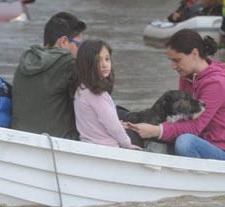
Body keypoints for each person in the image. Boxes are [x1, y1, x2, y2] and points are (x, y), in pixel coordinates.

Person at [126, 29, 225, 161]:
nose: (173, 66)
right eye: (171, 60)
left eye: (177, 60)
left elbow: (195, 127)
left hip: (224, 151)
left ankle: (195, 179)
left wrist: (156, 131)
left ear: (194, 53)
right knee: (158, 143)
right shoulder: (187, 76)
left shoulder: (217, 84)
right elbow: (182, 119)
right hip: (199, 141)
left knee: (184, 142)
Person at [11, 11, 87, 139]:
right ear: (63, 42)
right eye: (79, 45)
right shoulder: (68, 64)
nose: (80, 51)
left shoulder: (25, 62)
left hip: (19, 139)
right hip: (57, 145)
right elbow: (95, 98)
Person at [72, 39, 139, 149]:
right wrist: (127, 144)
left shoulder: (81, 89)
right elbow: (113, 127)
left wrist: (120, 124)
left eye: (107, 59)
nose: (104, 65)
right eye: (98, 61)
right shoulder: (97, 94)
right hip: (107, 147)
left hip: (88, 143)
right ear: (87, 64)